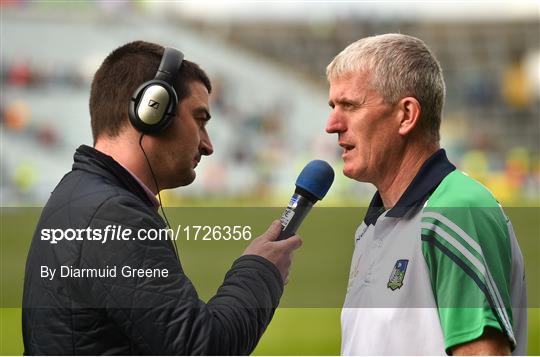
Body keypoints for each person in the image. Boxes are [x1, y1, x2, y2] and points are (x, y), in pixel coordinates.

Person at [22, 41, 302, 355]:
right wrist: (261, 271)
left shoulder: (84, 193)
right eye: (200, 120)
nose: (208, 145)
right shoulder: (112, 215)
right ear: (152, 110)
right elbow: (204, 348)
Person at [325, 34, 527, 355]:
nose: (332, 124)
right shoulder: (372, 227)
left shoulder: (455, 210)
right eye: (333, 106)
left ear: (406, 115)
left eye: (349, 105)